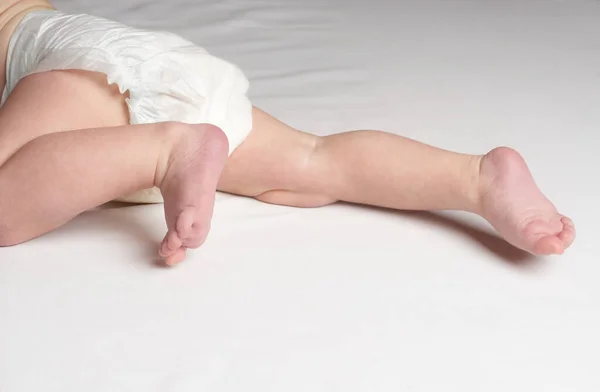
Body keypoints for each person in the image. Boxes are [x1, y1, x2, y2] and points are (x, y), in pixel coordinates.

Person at [0, 0, 575, 266]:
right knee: (312, 163)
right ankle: (475, 178)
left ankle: (165, 150)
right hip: (159, 66)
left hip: (79, 70)